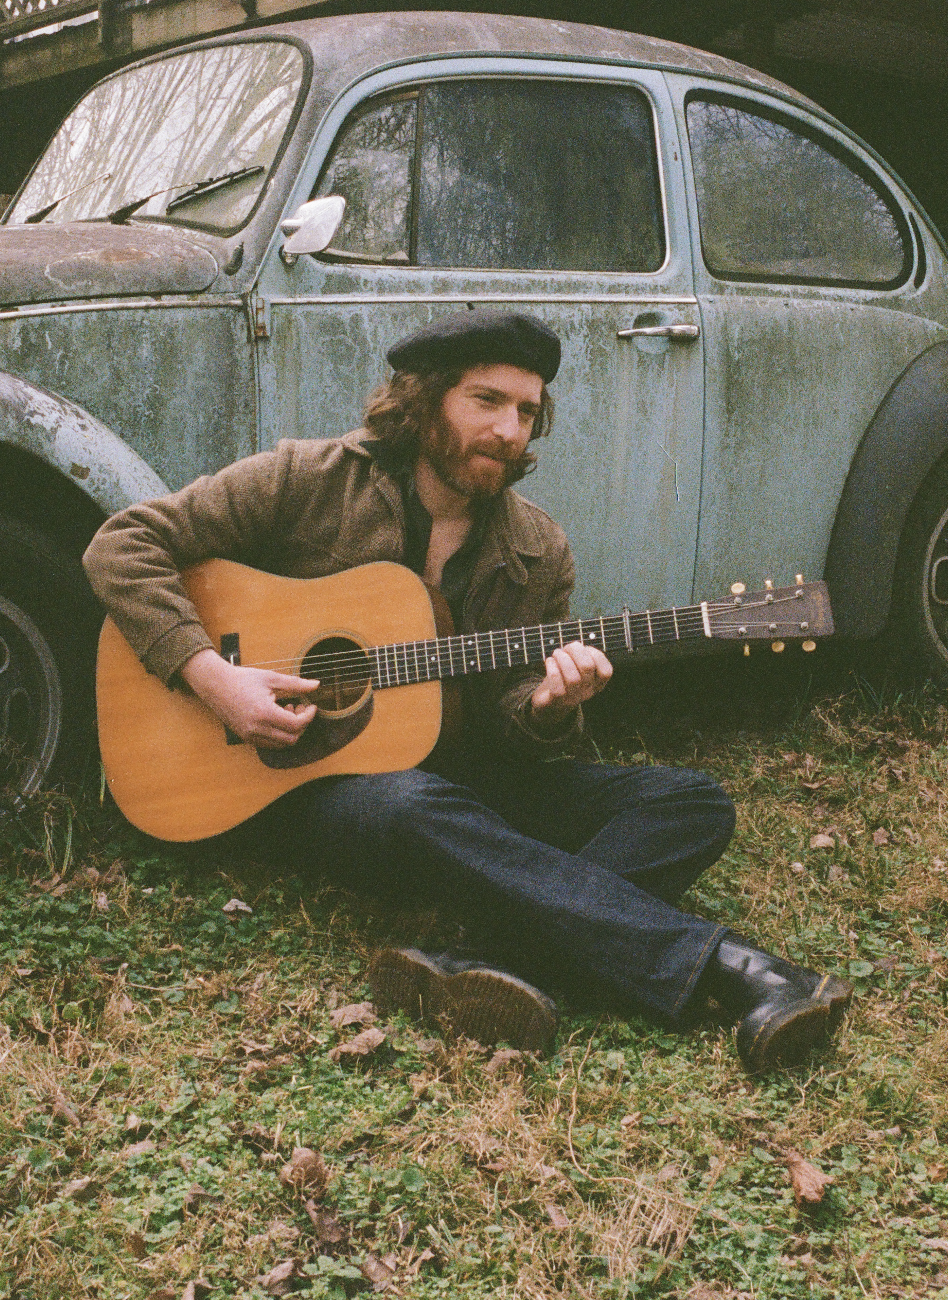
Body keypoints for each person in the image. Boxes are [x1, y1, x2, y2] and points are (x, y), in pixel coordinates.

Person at [83, 310, 851, 1073]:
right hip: (303, 788)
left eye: (525, 411)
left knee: (691, 804)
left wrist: (548, 709)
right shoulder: (308, 480)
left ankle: (483, 961)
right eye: (487, 402)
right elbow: (122, 545)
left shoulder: (537, 550)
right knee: (409, 802)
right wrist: (214, 680)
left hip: (459, 784)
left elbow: (510, 723)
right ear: (425, 402)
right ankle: (735, 970)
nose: (509, 430)